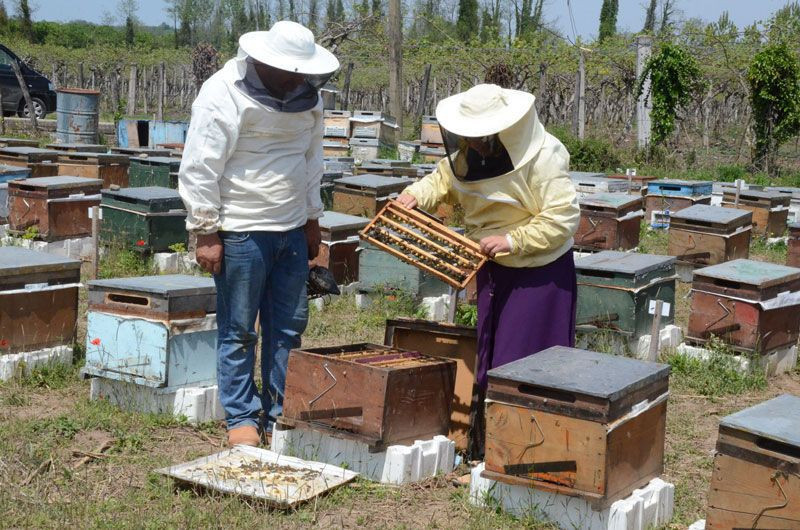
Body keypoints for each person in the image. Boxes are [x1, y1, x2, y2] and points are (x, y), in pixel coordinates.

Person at [178, 21, 339, 447]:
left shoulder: (309, 99)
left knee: (287, 330)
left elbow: (312, 159)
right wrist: (205, 230)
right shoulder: (222, 91)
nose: (297, 80)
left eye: (302, 72)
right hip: (241, 229)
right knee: (239, 329)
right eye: (290, 71)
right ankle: (241, 416)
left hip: (291, 229)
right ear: (265, 62)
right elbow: (200, 164)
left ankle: (280, 412)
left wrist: (312, 218)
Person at [397, 83, 579, 394]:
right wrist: (415, 195)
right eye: (468, 136)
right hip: (491, 266)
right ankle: (489, 416)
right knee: (491, 353)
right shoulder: (469, 155)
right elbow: (442, 180)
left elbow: (563, 217)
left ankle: (523, 420)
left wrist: (513, 240)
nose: (472, 144)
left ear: (501, 132)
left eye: (479, 138)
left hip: (538, 273)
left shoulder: (544, 157)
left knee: (526, 364)